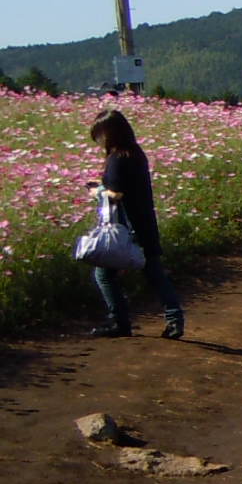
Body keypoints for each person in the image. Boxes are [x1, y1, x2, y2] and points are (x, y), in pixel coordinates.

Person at [86, 109, 183, 339]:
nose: (99, 141)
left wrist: (97, 191)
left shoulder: (117, 158)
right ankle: (175, 319)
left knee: (104, 275)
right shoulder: (136, 154)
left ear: (110, 133)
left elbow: (116, 194)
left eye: (100, 135)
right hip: (145, 224)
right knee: (155, 274)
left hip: (125, 229)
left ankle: (120, 322)